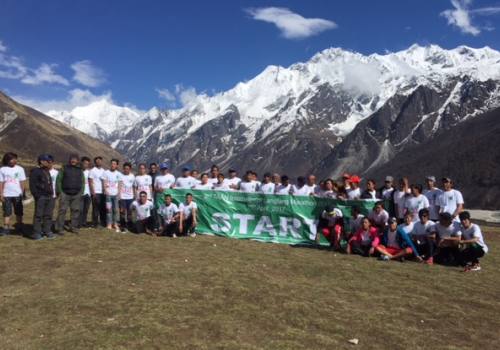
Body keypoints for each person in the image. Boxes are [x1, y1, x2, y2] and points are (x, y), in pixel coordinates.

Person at [28, 154, 56, 240]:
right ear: (42, 161)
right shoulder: (35, 171)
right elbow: (32, 185)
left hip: (49, 196)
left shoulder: (47, 171)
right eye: (47, 161)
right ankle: (36, 232)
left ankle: (47, 231)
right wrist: (37, 195)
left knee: (48, 215)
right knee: (38, 215)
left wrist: (51, 193)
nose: (49, 163)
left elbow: (49, 183)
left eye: (50, 161)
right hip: (41, 196)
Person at [55, 154, 84, 234]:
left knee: (75, 211)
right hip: (65, 193)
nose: (73, 161)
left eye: (75, 159)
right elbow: (59, 180)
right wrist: (60, 191)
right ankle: (59, 228)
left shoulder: (80, 170)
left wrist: (81, 192)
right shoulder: (64, 168)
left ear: (77, 161)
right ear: (69, 160)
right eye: (72, 159)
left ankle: (73, 227)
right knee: (62, 211)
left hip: (76, 194)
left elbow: (83, 182)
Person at [0, 152, 26, 235]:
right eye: (12, 159)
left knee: (19, 211)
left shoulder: (20, 169)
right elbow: (1, 182)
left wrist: (22, 193)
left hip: (17, 194)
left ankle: (19, 227)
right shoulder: (2, 169)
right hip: (6, 194)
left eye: (15, 158)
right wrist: (1, 194)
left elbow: (22, 182)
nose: (14, 160)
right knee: (7, 211)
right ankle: (6, 227)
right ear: (7, 160)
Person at [102, 159, 122, 232]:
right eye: (112, 163)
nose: (113, 165)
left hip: (116, 195)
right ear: (110, 164)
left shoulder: (119, 174)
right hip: (108, 195)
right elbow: (104, 182)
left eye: (114, 164)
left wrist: (119, 193)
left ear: (117, 165)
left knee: (116, 210)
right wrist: (105, 190)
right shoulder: (106, 173)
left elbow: (120, 184)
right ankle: (109, 223)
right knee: (109, 210)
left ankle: (115, 223)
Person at [89, 156, 106, 228]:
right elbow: (90, 181)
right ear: (95, 162)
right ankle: (95, 223)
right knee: (96, 208)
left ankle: (103, 222)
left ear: (102, 162)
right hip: (96, 192)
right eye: (97, 161)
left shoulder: (103, 171)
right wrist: (93, 192)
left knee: (103, 208)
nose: (99, 162)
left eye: (100, 161)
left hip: (103, 192)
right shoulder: (92, 170)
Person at [119, 162, 135, 232]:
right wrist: (119, 196)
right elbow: (119, 185)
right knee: (122, 212)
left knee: (130, 212)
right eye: (125, 168)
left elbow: (134, 186)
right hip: (122, 197)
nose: (126, 170)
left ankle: (130, 225)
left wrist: (134, 195)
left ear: (130, 169)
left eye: (128, 169)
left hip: (130, 197)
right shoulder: (120, 175)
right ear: (123, 169)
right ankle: (122, 226)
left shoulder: (132, 176)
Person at [79, 156, 91, 228]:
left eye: (87, 164)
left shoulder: (89, 172)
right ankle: (79, 223)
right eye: (85, 163)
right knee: (80, 209)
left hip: (88, 193)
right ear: (82, 163)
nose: (86, 165)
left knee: (86, 209)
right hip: (80, 193)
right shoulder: (78, 171)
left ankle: (84, 222)